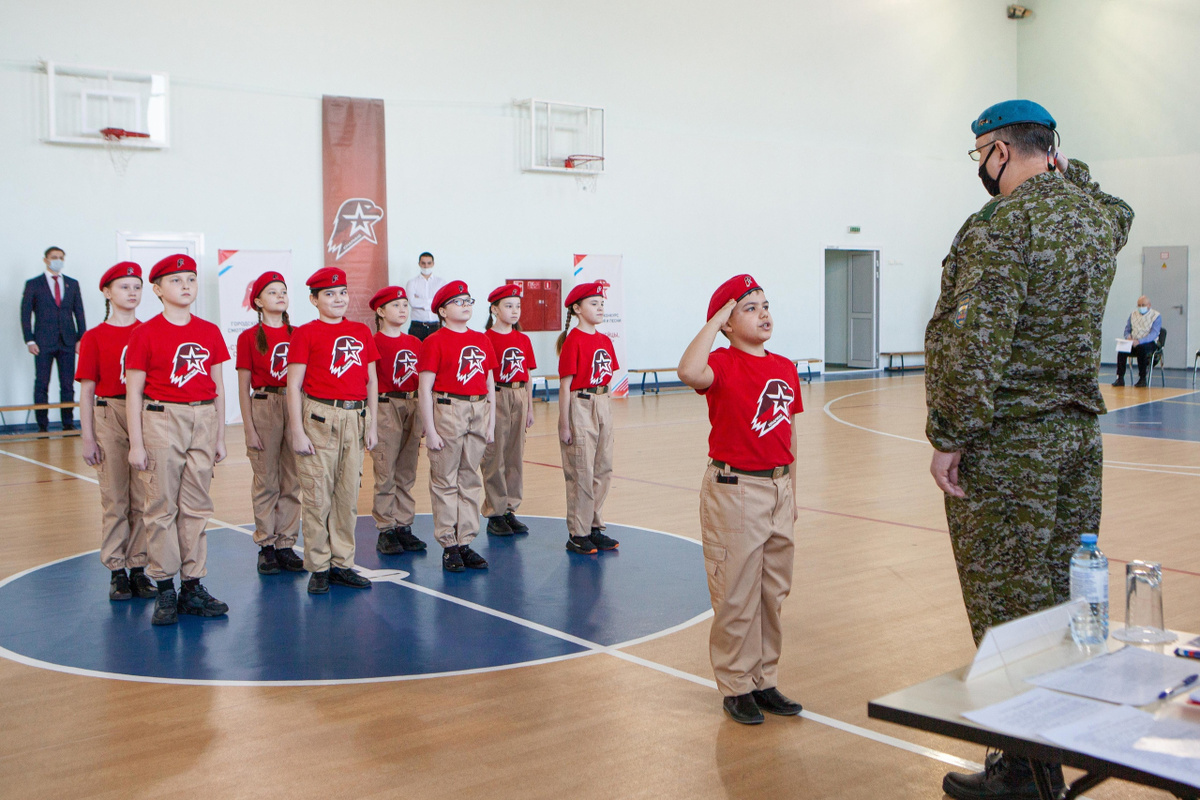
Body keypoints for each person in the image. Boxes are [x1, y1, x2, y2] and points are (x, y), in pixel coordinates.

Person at [925, 100, 1134, 800]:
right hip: (1077, 440)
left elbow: (977, 345)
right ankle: (1035, 760)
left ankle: (1026, 778)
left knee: (1008, 613)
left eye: (981, 153)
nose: (981, 167)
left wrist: (949, 434)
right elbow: (1122, 210)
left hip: (1011, 445)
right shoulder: (1093, 217)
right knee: (1060, 606)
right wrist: (1075, 175)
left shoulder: (1002, 226)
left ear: (1001, 151)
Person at [677, 274, 804, 726]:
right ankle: (736, 684)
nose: (764, 313)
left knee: (772, 592)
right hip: (735, 490)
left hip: (777, 487)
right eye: (749, 308)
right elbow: (689, 372)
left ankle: (764, 678)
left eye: (765, 305)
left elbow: (789, 434)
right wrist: (715, 319)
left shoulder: (786, 367)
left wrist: (792, 491)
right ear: (728, 323)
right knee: (736, 593)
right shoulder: (721, 363)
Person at [125, 254, 231, 626]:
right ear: (157, 289)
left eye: (190, 279)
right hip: (161, 418)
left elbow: (218, 387)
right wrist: (137, 444)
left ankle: (193, 585)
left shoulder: (209, 330)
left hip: (203, 417)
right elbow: (134, 393)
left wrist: (219, 435)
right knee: (160, 507)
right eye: (175, 280)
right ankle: (165, 586)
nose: (185, 286)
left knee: (197, 507)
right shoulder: (145, 332)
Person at [287, 267, 380, 595]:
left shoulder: (361, 331)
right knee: (317, 495)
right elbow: (294, 384)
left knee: (347, 496)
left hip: (354, 417)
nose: (338, 299)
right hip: (319, 417)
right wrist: (297, 431)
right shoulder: (305, 333)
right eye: (329, 294)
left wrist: (372, 423)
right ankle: (319, 565)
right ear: (314, 300)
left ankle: (342, 563)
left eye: (342, 292)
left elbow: (372, 380)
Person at [76, 262, 157, 602]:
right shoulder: (94, 336)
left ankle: (138, 566)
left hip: (144, 413)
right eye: (124, 286)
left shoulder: (150, 331)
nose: (132, 292)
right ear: (108, 292)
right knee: (115, 497)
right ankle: (117, 570)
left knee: (143, 497)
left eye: (137, 286)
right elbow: (87, 391)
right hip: (109, 412)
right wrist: (88, 436)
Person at [416, 280, 497, 572]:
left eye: (468, 300)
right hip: (448, 408)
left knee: (470, 478)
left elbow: (490, 384)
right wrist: (431, 429)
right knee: (445, 479)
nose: (465, 305)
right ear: (442, 310)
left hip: (478, 409)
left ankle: (466, 541)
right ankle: (449, 544)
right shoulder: (434, 341)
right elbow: (424, 389)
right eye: (458, 301)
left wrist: (491, 423)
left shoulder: (482, 339)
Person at [235, 271, 304, 576]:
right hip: (264, 405)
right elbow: (243, 385)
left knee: (292, 478)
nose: (280, 295)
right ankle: (266, 545)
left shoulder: (299, 334)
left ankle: (286, 544)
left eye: (283, 291)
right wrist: (249, 426)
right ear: (258, 302)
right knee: (266, 479)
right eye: (272, 291)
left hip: (295, 404)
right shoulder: (248, 337)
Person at [556, 282, 620, 555]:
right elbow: (565, 385)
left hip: (603, 401)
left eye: (602, 303)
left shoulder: (605, 340)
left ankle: (594, 525)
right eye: (594, 303)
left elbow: (608, 375)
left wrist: (604, 405)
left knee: (602, 468)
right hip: (580, 404)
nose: (600, 307)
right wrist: (564, 421)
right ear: (577, 309)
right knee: (582, 470)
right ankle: (578, 532)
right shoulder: (573, 341)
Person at [368, 285, 428, 555]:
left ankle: (404, 524)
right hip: (385, 404)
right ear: (380, 311)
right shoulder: (373, 342)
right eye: (396, 305)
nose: (403, 309)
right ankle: (386, 528)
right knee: (385, 470)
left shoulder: (415, 342)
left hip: (412, 402)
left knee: (407, 470)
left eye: (405, 305)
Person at [481, 283, 537, 536]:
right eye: (508, 306)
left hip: (518, 395)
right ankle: (495, 511)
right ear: (495, 308)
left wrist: (530, 408)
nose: (515, 311)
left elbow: (527, 377)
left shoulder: (523, 339)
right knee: (495, 456)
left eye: (517, 306)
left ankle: (510, 508)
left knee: (515, 456)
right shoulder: (486, 339)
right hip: (497, 395)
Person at [21, 246, 87, 432]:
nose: (57, 260)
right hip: (42, 342)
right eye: (54, 257)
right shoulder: (34, 284)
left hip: (67, 341)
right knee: (42, 383)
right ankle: (42, 424)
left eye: (61, 257)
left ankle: (68, 422)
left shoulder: (72, 284)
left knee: (68, 384)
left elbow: (79, 313)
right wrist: (30, 340)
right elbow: (25, 314)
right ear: (46, 260)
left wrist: (81, 338)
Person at [1114, 295, 1161, 387]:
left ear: (1149, 305)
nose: (1140, 307)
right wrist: (1128, 337)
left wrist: (1139, 341)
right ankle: (1120, 378)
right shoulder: (1133, 314)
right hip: (1133, 341)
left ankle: (1142, 378)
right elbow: (1127, 329)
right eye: (1139, 305)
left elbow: (1154, 334)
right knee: (1121, 349)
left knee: (1141, 349)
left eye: (1143, 305)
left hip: (1148, 343)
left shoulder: (1156, 316)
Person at [404, 252, 446, 341]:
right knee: (417, 353)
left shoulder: (441, 282)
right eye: (423, 263)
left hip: (436, 325)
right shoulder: (412, 282)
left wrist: (421, 301)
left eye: (429, 263)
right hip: (418, 326)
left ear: (433, 264)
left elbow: (442, 302)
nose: (426, 266)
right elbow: (412, 302)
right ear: (419, 264)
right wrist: (432, 302)